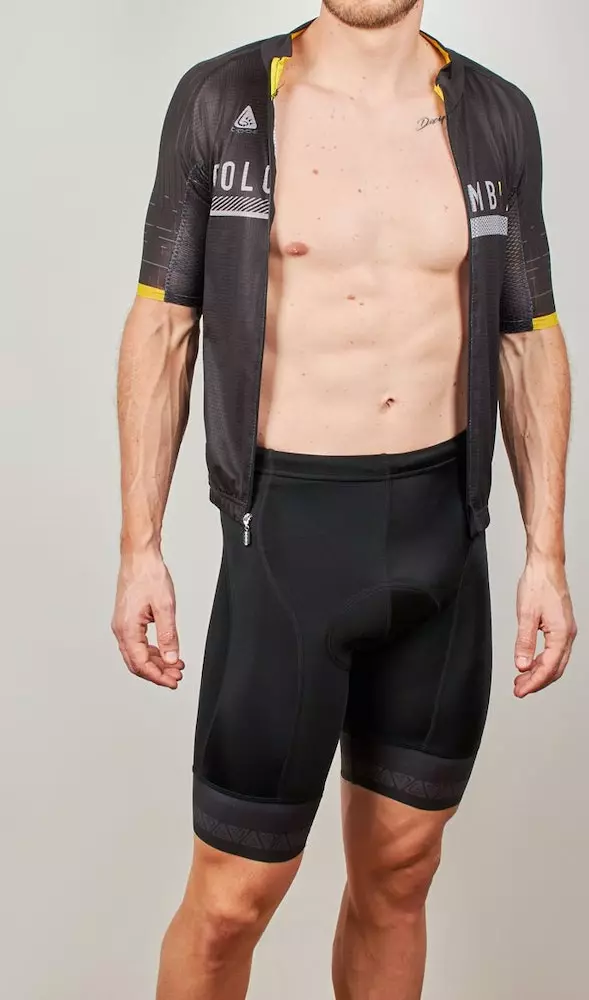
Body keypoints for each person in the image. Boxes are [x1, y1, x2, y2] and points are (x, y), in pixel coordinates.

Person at [111, 2, 577, 998]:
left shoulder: (495, 114)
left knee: (402, 871)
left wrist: (545, 554)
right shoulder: (225, 99)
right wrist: (138, 547)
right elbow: (164, 324)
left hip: (442, 546)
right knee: (231, 901)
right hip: (289, 546)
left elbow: (527, 334)